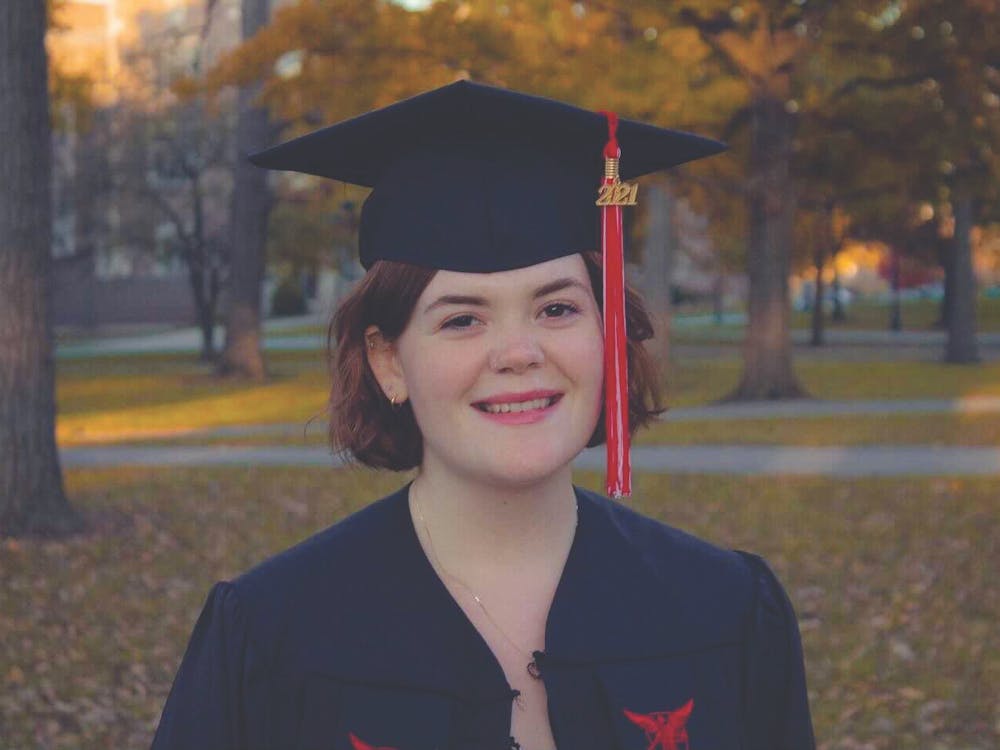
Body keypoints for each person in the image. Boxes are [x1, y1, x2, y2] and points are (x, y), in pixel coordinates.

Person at [151, 81, 815, 750]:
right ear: (388, 362)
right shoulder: (273, 639)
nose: (519, 353)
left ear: (608, 333)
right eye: (462, 319)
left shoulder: (725, 613)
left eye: (557, 309)